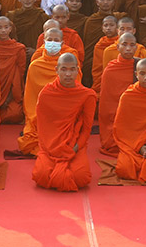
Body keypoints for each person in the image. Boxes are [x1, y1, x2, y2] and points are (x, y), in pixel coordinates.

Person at [32, 53, 97, 192]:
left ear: (78, 70)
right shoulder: (46, 94)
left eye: (72, 69)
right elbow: (42, 127)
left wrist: (75, 148)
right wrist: (51, 148)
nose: (68, 74)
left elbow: (86, 129)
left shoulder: (87, 95)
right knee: (41, 176)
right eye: (64, 69)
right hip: (50, 146)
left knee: (81, 177)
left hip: (74, 145)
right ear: (56, 70)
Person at [15, 27, 70, 155]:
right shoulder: (35, 66)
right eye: (49, 40)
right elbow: (30, 99)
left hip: (61, 115)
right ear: (44, 43)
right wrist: (35, 117)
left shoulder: (69, 67)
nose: (52, 43)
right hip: (38, 115)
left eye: (56, 40)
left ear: (62, 44)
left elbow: (72, 96)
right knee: (29, 141)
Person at [97, 32, 142, 156]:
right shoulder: (110, 70)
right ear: (118, 47)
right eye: (124, 44)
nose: (128, 48)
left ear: (136, 47)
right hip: (116, 117)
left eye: (132, 45)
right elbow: (106, 103)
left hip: (136, 115)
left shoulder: (141, 67)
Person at [0, 17, 26, 124]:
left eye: (6, 27)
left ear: (10, 29)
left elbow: (19, 75)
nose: (3, 30)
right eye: (0, 28)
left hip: (11, 94)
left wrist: (8, 98)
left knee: (16, 113)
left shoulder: (18, 49)